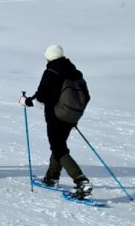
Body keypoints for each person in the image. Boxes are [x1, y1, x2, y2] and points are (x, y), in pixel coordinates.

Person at [22, 45, 93, 199]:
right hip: (72, 116)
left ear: (48, 57)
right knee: (59, 144)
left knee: (58, 147)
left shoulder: (51, 72)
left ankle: (81, 181)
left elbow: (40, 97)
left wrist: (26, 101)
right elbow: (86, 96)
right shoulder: (74, 71)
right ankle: (52, 177)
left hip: (56, 116)